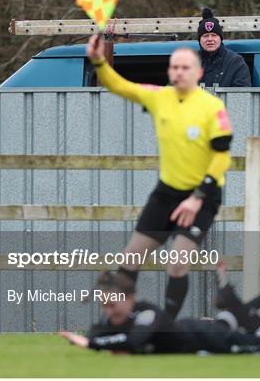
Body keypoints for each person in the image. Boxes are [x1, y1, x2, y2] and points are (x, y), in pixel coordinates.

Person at [86, 35, 233, 319]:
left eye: (185, 67)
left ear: (199, 71)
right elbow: (118, 85)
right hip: (167, 192)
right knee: (131, 257)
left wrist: (197, 197)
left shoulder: (212, 107)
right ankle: (121, 321)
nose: (179, 72)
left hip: (202, 195)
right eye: (174, 67)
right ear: (169, 71)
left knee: (177, 262)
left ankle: (166, 326)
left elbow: (222, 156)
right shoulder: (159, 97)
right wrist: (98, 61)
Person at [59, 264, 260, 356]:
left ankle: (236, 302)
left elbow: (133, 341)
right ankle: (249, 303)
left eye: (113, 305)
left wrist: (92, 344)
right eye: (104, 306)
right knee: (223, 321)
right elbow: (96, 331)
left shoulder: (148, 314)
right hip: (196, 330)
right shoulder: (116, 317)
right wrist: (91, 339)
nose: (108, 311)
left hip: (206, 338)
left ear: (130, 299)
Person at [198, 8, 252, 89]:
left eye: (214, 35)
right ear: (199, 40)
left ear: (220, 38)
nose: (210, 39)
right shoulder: (189, 63)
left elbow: (242, 96)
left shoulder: (235, 62)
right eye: (205, 36)